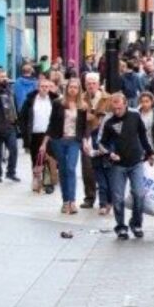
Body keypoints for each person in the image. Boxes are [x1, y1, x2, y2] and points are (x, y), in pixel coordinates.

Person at [99, 93, 154, 239]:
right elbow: (102, 143)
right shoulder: (109, 122)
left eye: (119, 108)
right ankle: (121, 227)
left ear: (125, 105)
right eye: (114, 108)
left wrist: (150, 153)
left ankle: (136, 223)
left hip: (136, 162)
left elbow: (143, 136)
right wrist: (110, 153)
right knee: (118, 198)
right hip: (118, 165)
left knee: (139, 194)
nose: (117, 111)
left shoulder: (135, 116)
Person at [44, 77, 87, 214]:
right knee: (62, 170)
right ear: (67, 88)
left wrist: (85, 140)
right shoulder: (58, 103)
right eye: (71, 87)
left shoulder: (83, 106)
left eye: (75, 87)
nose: (73, 90)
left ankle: (73, 201)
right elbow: (51, 123)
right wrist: (45, 142)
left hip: (74, 140)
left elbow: (84, 126)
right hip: (59, 140)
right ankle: (65, 201)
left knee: (70, 168)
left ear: (79, 90)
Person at [20, 75, 57, 193]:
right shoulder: (30, 100)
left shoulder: (54, 100)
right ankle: (36, 179)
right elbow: (23, 117)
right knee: (35, 158)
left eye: (47, 87)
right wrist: (25, 133)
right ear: (38, 87)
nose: (45, 89)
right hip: (35, 133)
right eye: (42, 86)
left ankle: (48, 183)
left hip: (50, 134)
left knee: (48, 158)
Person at [81, 72, 112, 209]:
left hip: (104, 139)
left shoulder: (108, 98)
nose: (91, 86)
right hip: (87, 137)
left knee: (105, 169)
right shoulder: (80, 99)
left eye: (94, 83)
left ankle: (105, 200)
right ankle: (89, 197)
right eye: (88, 83)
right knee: (87, 169)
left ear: (99, 84)